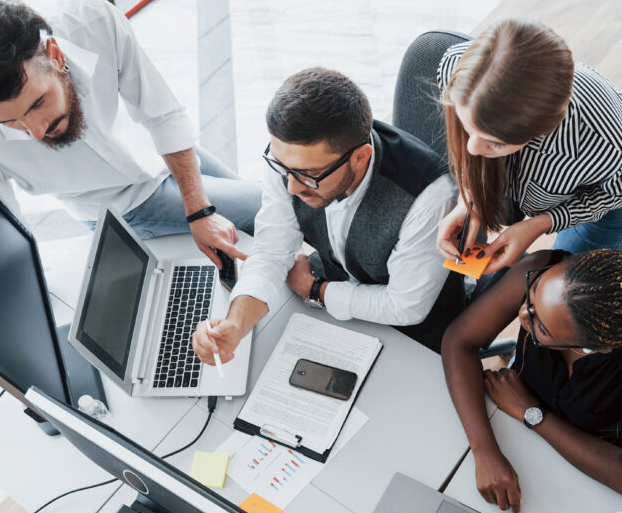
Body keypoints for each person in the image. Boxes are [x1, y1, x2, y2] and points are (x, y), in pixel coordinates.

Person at [0, 0, 259, 267]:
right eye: (8, 123)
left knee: (275, 210)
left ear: (54, 55)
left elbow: (162, 115)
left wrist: (199, 210)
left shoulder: (93, 21)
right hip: (124, 206)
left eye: (37, 103)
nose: (36, 132)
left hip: (161, 151)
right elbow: (4, 228)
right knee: (276, 204)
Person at [193, 67, 462, 363]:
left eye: (309, 176)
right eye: (284, 169)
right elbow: (271, 252)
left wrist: (315, 290)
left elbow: (406, 306)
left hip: (414, 330)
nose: (292, 187)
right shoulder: (290, 161)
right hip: (336, 296)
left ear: (360, 157)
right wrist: (235, 324)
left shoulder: (429, 197)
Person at [441, 246, 622, 510]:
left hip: (591, 462)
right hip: (510, 423)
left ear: (596, 348)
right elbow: (459, 340)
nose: (523, 314)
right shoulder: (541, 267)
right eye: (532, 295)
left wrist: (534, 414)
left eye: (542, 329)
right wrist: (484, 451)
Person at [435, 19, 622, 275]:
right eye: (468, 128)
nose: (472, 149)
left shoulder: (607, 141)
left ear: (545, 129)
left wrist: (541, 224)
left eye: (496, 142)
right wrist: (469, 200)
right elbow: (475, 152)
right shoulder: (457, 69)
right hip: (540, 185)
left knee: (560, 280)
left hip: (609, 198)